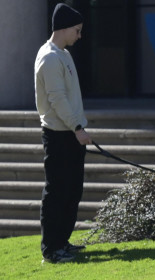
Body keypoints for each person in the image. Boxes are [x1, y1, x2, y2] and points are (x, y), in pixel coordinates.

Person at [35, 3, 92, 264]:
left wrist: (78, 127)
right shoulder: (49, 57)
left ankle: (63, 243)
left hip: (71, 133)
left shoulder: (64, 55)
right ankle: (52, 250)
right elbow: (57, 100)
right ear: (66, 28)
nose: (79, 36)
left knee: (72, 190)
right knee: (57, 192)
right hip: (59, 135)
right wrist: (77, 128)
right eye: (77, 31)